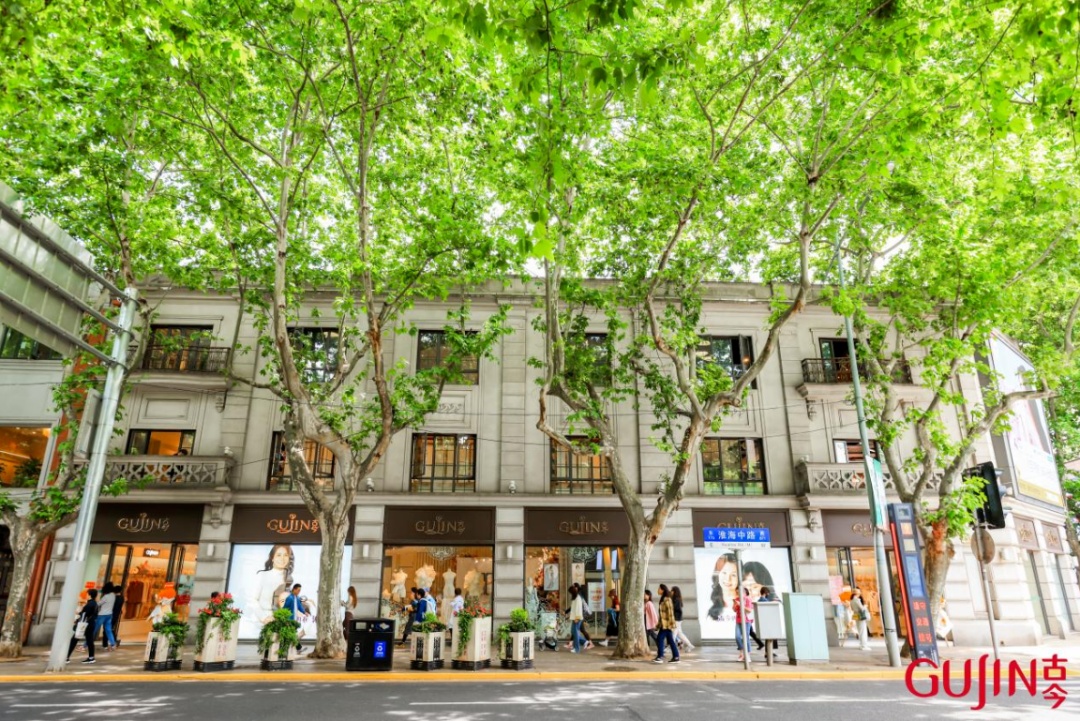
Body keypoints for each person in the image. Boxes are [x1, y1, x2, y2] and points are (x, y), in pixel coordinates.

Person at [249, 544, 294, 625]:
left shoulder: (289, 579)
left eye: (285, 555)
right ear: (272, 558)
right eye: (279, 555)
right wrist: (264, 618)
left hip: (281, 624)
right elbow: (253, 600)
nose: (282, 558)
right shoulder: (262, 575)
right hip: (260, 623)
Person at [66, 588, 99, 664]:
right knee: (90, 641)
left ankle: (66, 657)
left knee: (74, 640)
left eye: (87, 594)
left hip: (84, 625)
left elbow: (84, 615)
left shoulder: (89, 604)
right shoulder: (95, 603)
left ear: (90, 595)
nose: (86, 595)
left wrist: (78, 617)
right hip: (91, 624)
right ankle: (91, 657)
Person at [653, 584, 680, 664]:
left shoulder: (667, 599)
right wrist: (658, 626)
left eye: (659, 589)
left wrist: (671, 624)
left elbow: (670, 613)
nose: (658, 590)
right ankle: (676, 656)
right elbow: (662, 616)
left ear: (663, 590)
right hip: (664, 624)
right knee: (671, 641)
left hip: (667, 625)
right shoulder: (663, 599)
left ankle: (660, 656)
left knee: (660, 638)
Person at [732, 587, 754, 662]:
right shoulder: (737, 599)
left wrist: (740, 604)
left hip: (746, 620)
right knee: (737, 637)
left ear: (743, 592)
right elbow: (734, 610)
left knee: (746, 638)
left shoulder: (747, 599)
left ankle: (747, 655)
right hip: (738, 620)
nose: (737, 593)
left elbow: (749, 610)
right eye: (737, 592)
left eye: (738, 592)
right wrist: (735, 605)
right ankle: (741, 653)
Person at [283, 583, 306, 653]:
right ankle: (298, 648)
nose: (299, 592)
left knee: (291, 634)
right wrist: (285, 619)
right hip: (289, 620)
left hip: (294, 620)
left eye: (300, 590)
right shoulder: (290, 598)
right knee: (291, 634)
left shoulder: (297, 598)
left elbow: (299, 606)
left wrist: (305, 612)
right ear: (294, 589)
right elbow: (285, 609)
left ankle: (295, 648)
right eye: (298, 590)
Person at [95, 583, 118, 651]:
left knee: (94, 630)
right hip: (109, 614)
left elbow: (98, 604)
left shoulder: (106, 596)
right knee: (108, 630)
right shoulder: (113, 595)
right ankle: (113, 645)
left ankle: (85, 645)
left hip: (102, 615)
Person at [758, 586, 780, 656]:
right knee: (771, 636)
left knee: (768, 637)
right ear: (765, 592)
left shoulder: (761, 600)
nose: (768, 594)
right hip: (768, 621)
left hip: (765, 621)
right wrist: (773, 601)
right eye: (768, 593)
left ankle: (768, 652)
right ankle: (770, 651)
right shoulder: (763, 600)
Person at [671, 585, 694, 651]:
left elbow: (676, 609)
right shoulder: (676, 599)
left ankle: (671, 647)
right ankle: (689, 645)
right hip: (677, 619)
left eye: (672, 590)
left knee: (673, 634)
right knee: (679, 634)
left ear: (675, 592)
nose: (671, 592)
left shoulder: (676, 600)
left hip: (677, 619)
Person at [567, 585, 585, 653]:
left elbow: (578, 609)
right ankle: (585, 642)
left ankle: (576, 648)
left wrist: (577, 618)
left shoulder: (577, 598)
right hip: (575, 618)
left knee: (575, 633)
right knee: (574, 632)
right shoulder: (575, 598)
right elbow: (573, 609)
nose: (570, 594)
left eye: (570, 592)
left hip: (577, 618)